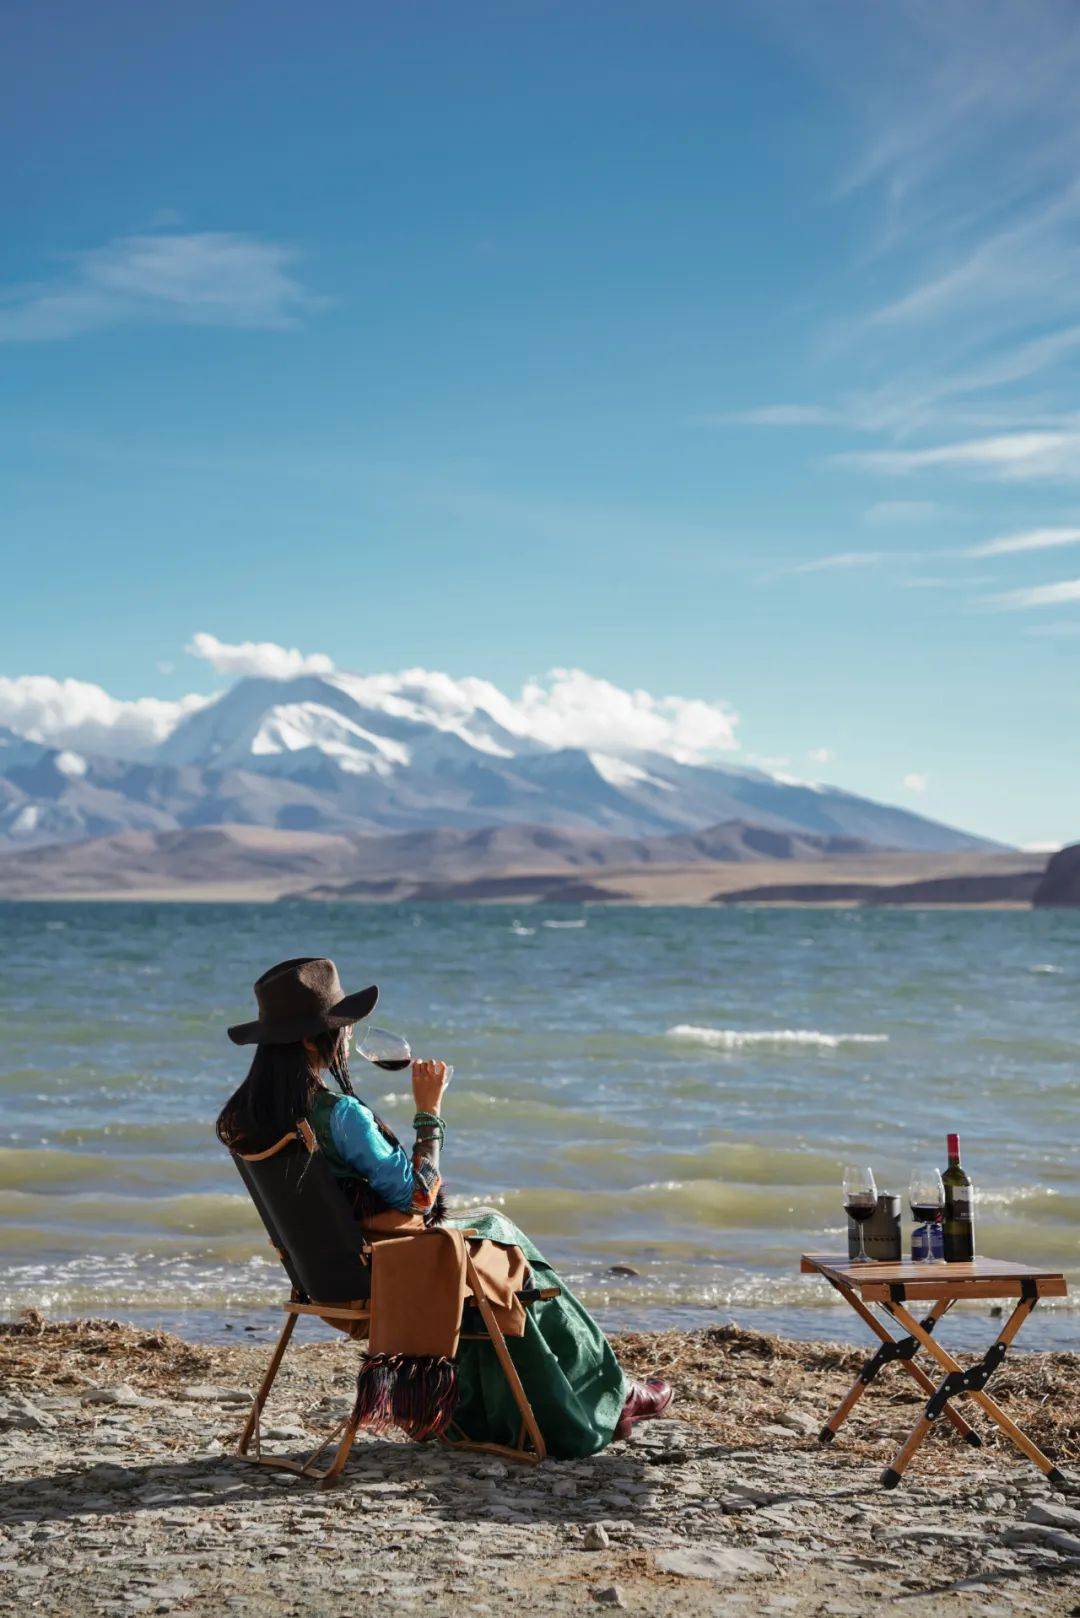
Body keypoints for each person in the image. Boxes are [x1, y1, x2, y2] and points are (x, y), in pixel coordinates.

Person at [216, 956, 672, 1458]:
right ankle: (608, 1393)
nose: (347, 1038)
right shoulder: (339, 1114)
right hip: (383, 1274)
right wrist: (429, 1112)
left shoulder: (245, 1117)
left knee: (499, 1264)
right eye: (342, 1027)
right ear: (311, 1040)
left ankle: (505, 1408)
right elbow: (418, 1195)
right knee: (505, 1244)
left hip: (320, 1278)